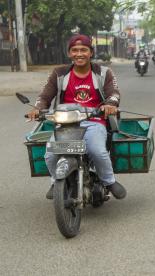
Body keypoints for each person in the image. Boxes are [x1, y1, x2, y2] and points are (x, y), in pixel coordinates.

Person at [27, 34, 126, 200]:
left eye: (83, 50)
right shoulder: (59, 73)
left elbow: (114, 93)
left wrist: (110, 105)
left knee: (98, 151)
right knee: (50, 155)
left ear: (91, 53)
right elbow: (44, 96)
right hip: (65, 124)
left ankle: (109, 181)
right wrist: (38, 108)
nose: (79, 54)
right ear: (69, 53)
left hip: (94, 121)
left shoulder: (103, 72)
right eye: (75, 50)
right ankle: (55, 182)